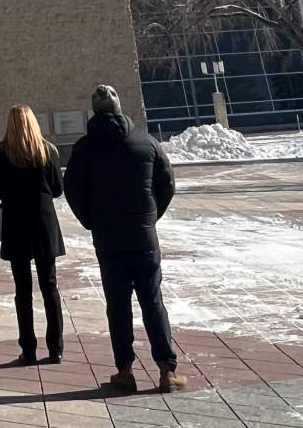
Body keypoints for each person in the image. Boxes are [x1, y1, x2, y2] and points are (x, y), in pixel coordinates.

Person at [65, 85, 185, 395]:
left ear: (94, 111)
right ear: (119, 108)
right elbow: (167, 184)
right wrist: (150, 217)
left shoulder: (84, 149)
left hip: (108, 239)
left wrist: (91, 220)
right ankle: (166, 370)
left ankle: (125, 371)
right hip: (143, 236)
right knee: (153, 301)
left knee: (118, 305)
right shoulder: (146, 142)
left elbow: (73, 190)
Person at [0, 106, 65, 364]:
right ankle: (56, 347)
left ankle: (28, 348)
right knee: (49, 286)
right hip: (43, 223)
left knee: (22, 289)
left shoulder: (1, 152)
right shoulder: (47, 150)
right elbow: (57, 189)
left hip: (16, 223)